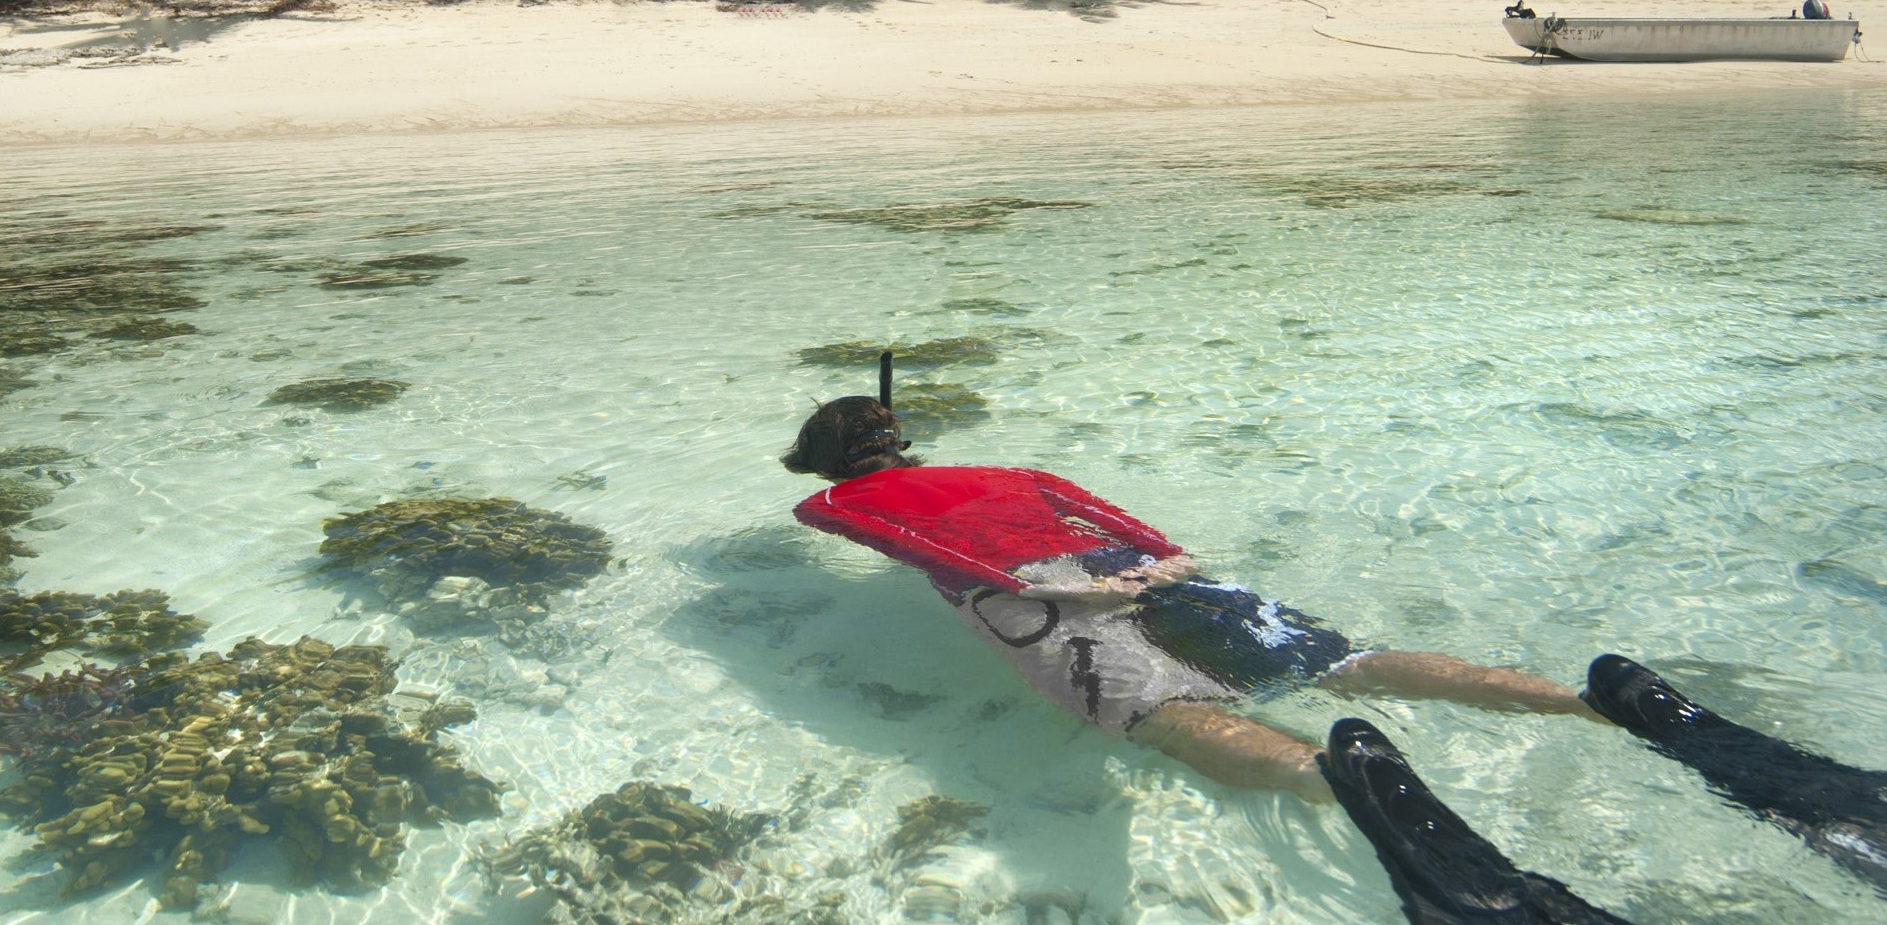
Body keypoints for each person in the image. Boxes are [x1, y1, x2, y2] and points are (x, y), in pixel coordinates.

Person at [783, 361, 1887, 919]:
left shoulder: (831, 507)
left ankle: (1347, 781)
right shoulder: (1009, 467)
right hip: (1158, 569)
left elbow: (926, 551)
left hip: (1046, 598)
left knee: (1166, 719)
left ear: (831, 463)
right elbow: (1119, 521)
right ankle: (1593, 704)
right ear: (902, 434)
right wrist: (1162, 564)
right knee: (1341, 659)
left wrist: (1061, 605)